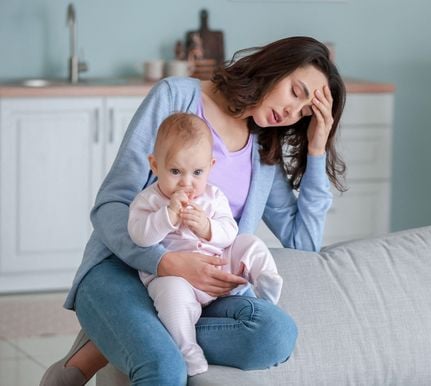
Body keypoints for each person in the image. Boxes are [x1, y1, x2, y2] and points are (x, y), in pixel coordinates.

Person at [40, 35, 346, 386]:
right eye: (296, 92)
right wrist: (164, 262)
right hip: (122, 268)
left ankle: (115, 340)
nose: (293, 113)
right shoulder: (176, 97)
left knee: (275, 335)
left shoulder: (263, 148)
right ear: (275, 67)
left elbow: (303, 244)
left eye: (305, 112)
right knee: (166, 368)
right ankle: (126, 340)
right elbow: (111, 203)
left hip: (200, 292)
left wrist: (317, 148)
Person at [129, 112, 283, 376]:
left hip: (217, 265)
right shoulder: (150, 201)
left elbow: (229, 232)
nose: (187, 183)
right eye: (175, 171)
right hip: (177, 279)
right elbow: (140, 236)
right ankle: (186, 347)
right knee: (171, 295)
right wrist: (167, 217)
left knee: (249, 243)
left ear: (211, 166)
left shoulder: (213, 196)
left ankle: (265, 281)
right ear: (155, 166)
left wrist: (207, 228)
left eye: (197, 172)